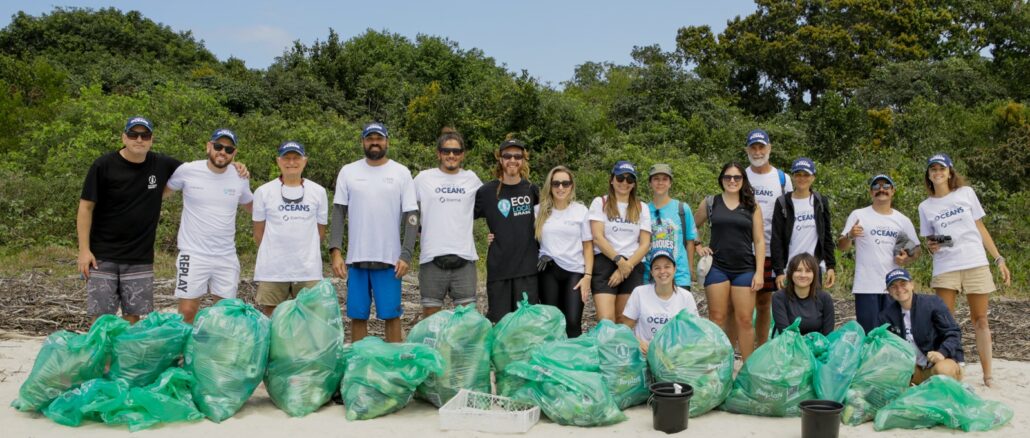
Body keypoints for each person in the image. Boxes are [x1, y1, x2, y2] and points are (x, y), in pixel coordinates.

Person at [918, 153, 1011, 387]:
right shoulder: (925, 206)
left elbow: (980, 227)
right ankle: (949, 368)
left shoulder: (966, 193)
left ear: (950, 171)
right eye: (933, 169)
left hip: (975, 261)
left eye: (941, 168)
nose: (937, 172)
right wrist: (933, 245)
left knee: (980, 320)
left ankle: (988, 376)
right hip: (946, 266)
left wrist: (998, 258)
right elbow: (932, 243)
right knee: (944, 321)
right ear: (929, 175)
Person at [329, 123, 418, 342]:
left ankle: (393, 365)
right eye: (370, 138)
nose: (375, 142)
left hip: (390, 261)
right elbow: (339, 213)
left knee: (392, 316)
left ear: (387, 141)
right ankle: (360, 366)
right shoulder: (348, 171)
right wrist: (335, 252)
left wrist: (406, 254)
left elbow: (412, 217)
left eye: (379, 138)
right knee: (357, 316)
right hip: (357, 259)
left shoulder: (401, 172)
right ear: (363, 141)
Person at [164, 128, 253, 323]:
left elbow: (253, 207)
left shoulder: (240, 176)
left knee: (225, 312)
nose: (222, 152)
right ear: (208, 146)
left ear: (234, 153)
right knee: (187, 310)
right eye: (218, 146)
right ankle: (183, 351)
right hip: (193, 253)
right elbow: (160, 194)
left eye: (229, 149)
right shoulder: (188, 170)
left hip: (226, 255)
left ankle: (215, 351)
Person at [694, 162, 764, 361]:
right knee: (716, 318)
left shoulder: (753, 206)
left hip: (744, 268)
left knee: (744, 320)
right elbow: (692, 226)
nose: (732, 181)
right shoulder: (710, 202)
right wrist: (699, 246)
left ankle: (748, 368)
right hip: (717, 268)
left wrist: (759, 273)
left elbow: (759, 241)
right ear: (721, 179)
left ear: (743, 180)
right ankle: (717, 366)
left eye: (737, 177)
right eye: (728, 177)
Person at [252, 141, 328, 316]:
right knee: (272, 315)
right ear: (278, 161)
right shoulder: (263, 191)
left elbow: (320, 232)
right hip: (273, 269)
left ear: (304, 161)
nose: (291, 163)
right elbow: (258, 233)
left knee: (309, 315)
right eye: (287, 158)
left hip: (308, 269)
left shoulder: (318, 191)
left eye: (296, 158)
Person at [412, 128, 482, 317]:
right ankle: (431, 348)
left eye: (456, 151)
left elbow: (488, 206)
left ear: (462, 154)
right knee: (431, 315)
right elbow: (406, 207)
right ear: (439, 153)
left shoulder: (472, 179)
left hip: (465, 257)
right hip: (432, 257)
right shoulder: (423, 178)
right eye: (446, 151)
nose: (451, 155)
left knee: (468, 317)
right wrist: (417, 228)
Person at [838, 174, 919, 333]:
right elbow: (842, 246)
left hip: (895, 286)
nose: (881, 189)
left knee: (894, 335)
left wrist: (906, 258)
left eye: (886, 186)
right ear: (870, 192)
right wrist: (850, 236)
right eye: (876, 186)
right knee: (869, 335)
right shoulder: (858, 215)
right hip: (866, 286)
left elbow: (917, 249)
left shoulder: (902, 220)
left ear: (893, 191)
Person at [474, 137, 540, 323]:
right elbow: (462, 219)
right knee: (501, 325)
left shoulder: (532, 190)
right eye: (507, 155)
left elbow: (548, 223)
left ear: (523, 159)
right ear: (500, 159)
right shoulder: (486, 192)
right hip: (499, 270)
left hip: (528, 270)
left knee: (526, 324)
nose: (512, 160)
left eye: (517, 155)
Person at [742, 128, 793, 348]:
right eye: (753, 147)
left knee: (764, 303)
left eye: (761, 147)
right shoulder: (740, 176)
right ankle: (741, 349)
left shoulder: (783, 179)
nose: (757, 151)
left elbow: (791, 212)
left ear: (769, 148)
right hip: (744, 249)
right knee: (742, 305)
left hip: (773, 249)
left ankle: (761, 347)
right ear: (747, 150)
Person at [589, 161, 651, 324]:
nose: (624, 183)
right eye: (620, 178)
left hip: (633, 264)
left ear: (634, 183)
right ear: (612, 179)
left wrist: (626, 266)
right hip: (605, 260)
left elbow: (645, 244)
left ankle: (623, 350)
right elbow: (597, 237)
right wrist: (619, 261)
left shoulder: (641, 207)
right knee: (606, 320)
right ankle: (604, 350)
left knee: (625, 321)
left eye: (630, 179)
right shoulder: (600, 202)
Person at [879, 268, 964, 385]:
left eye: (903, 284)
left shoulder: (932, 303)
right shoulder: (886, 316)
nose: (899, 289)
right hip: (914, 369)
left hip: (939, 363)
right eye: (893, 286)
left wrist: (942, 352)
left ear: (912, 285)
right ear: (888, 291)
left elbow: (953, 333)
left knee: (943, 370)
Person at [535, 166, 592, 337]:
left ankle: (576, 361)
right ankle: (554, 361)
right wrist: (494, 236)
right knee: (553, 323)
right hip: (548, 270)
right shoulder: (538, 211)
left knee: (573, 322)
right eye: (556, 183)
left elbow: (588, 247)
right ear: (550, 186)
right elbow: (519, 235)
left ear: (572, 186)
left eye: (565, 183)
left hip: (574, 271)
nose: (561, 188)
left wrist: (588, 276)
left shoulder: (580, 211)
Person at [771, 157, 836, 290]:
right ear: (793, 177)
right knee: (789, 308)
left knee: (813, 308)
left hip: (813, 268)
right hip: (790, 268)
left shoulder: (820, 202)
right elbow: (776, 239)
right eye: (798, 175)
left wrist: (830, 266)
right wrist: (778, 271)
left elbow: (826, 236)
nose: (802, 178)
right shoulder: (783, 202)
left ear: (813, 177)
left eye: (806, 175)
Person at [623, 250, 698, 354]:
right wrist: (637, 342)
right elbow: (624, 328)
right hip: (644, 354)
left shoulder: (686, 297)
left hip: (674, 356)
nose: (662, 271)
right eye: (657, 268)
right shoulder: (639, 293)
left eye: (667, 267)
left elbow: (694, 332)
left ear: (675, 269)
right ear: (651, 272)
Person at [645, 163, 698, 290]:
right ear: (650, 183)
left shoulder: (682, 208)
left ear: (670, 183)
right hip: (650, 276)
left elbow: (690, 241)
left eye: (664, 179)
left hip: (679, 276)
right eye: (656, 179)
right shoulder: (643, 210)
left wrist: (690, 268)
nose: (660, 183)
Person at [771, 253, 834, 336]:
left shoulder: (825, 298)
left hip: (818, 346)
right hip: (788, 346)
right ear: (790, 273)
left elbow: (828, 335)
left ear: (814, 274)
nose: (803, 275)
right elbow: (784, 334)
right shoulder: (779, 297)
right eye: (798, 270)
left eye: (808, 271)